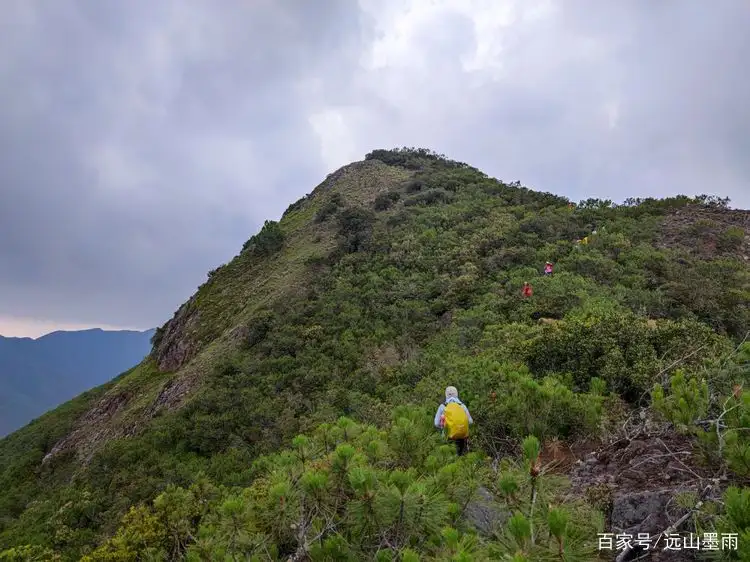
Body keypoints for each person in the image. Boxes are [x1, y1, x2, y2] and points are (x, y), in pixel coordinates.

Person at [434, 386, 473, 456]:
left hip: (447, 436)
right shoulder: (462, 406)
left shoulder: (442, 406)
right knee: (460, 456)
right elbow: (470, 421)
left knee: (448, 456)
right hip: (461, 436)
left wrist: (443, 427)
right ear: (457, 394)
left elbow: (436, 423)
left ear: (446, 394)